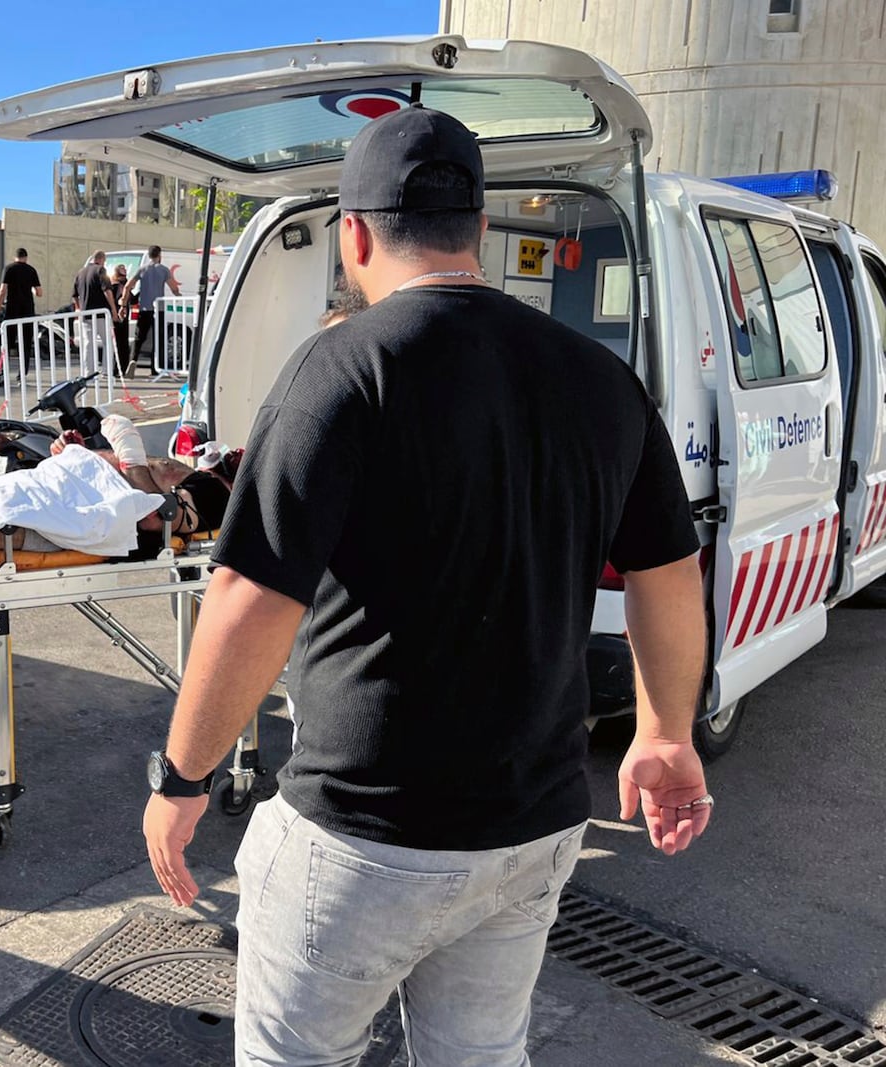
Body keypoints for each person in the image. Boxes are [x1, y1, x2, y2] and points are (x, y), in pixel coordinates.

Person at [140, 108, 712, 1063]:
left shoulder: (344, 367)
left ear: (353, 233)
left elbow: (250, 599)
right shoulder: (602, 380)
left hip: (362, 835)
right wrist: (663, 733)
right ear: (479, 229)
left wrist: (182, 776)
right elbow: (668, 568)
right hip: (531, 835)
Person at [122, 245, 180, 377]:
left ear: (149, 256)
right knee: (158, 338)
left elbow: (128, 286)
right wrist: (179, 297)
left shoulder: (142, 269)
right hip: (158, 309)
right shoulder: (164, 270)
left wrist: (124, 303)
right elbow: (174, 288)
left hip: (144, 308)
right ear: (159, 255)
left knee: (138, 338)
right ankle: (155, 368)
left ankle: (133, 360)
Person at [73, 250, 119, 375]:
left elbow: (75, 295)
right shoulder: (101, 270)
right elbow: (107, 291)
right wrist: (114, 311)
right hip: (101, 313)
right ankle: (106, 370)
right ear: (101, 259)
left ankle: (89, 372)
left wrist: (79, 308)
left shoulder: (80, 272)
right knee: (108, 342)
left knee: (88, 343)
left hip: (85, 313)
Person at [0, 248, 43, 365]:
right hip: (27, 311)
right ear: (26, 257)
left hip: (12, 310)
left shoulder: (8, 269)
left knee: (7, 343)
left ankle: (2, 374)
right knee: (25, 344)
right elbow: (39, 293)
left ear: (15, 257)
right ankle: (21, 376)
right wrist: (30, 289)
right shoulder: (31, 270)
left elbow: (2, 291)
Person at [109, 264, 132, 376]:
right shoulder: (116, 285)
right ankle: (116, 369)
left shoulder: (124, 285)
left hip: (124, 317)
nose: (125, 271)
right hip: (117, 317)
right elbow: (117, 299)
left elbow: (131, 299)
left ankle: (123, 368)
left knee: (123, 344)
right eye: (122, 269)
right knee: (118, 344)